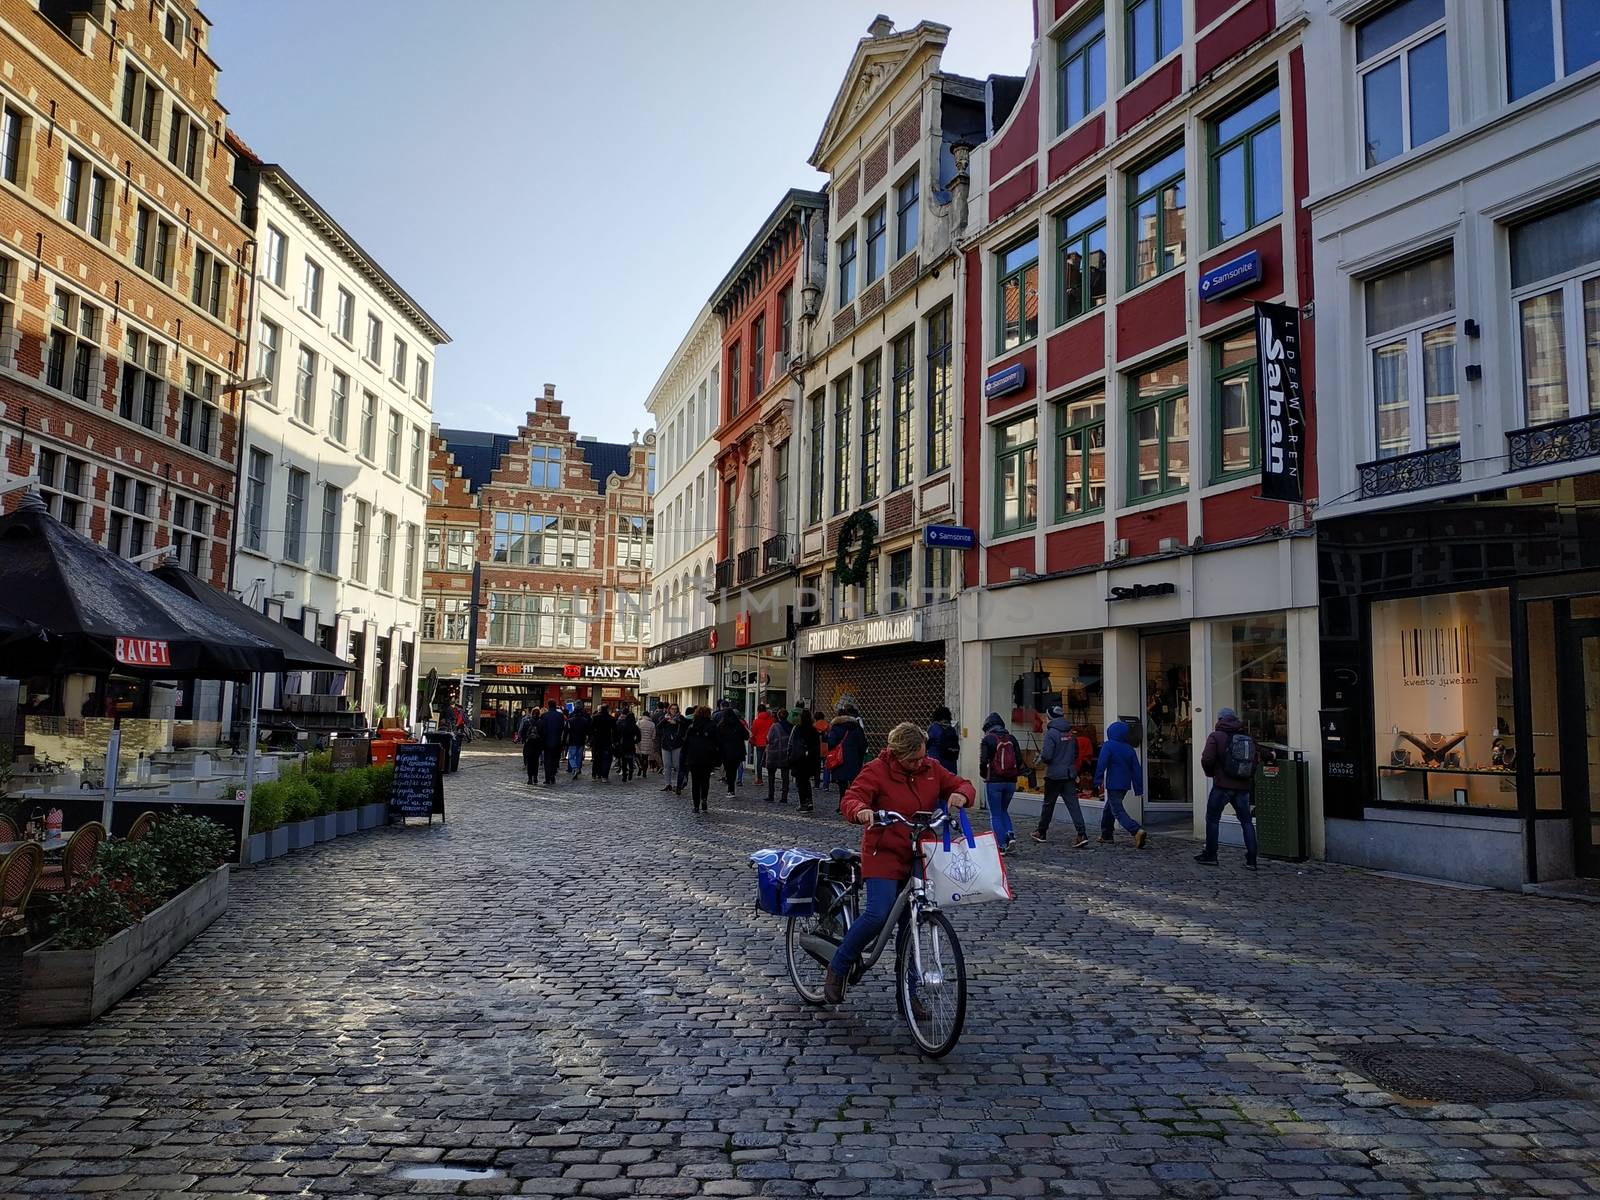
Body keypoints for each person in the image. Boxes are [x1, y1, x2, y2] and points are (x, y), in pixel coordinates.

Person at [825, 722, 976, 1006]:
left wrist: (962, 794)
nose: (919, 763)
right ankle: (839, 965)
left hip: (919, 855)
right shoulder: (877, 771)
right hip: (884, 852)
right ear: (897, 754)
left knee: (913, 923)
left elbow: (962, 783)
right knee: (877, 914)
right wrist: (862, 810)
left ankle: (908, 994)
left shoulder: (931, 768)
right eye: (913, 759)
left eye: (922, 756)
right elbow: (852, 798)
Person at [1196, 707, 1260, 870]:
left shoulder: (1216, 736)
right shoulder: (1246, 737)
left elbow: (1207, 758)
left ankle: (1211, 855)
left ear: (1220, 720)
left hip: (1222, 786)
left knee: (1212, 819)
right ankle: (1252, 859)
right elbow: (1256, 757)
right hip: (1242, 787)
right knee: (1246, 821)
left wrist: (1212, 773)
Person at [1033, 705, 1088, 847]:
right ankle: (1081, 834)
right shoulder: (1070, 732)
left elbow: (1047, 755)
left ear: (1050, 717)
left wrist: (1043, 758)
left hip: (1054, 775)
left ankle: (1041, 832)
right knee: (1073, 805)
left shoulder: (1051, 733)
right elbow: (1076, 753)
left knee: (1048, 805)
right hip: (1069, 773)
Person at [1094, 720, 1147, 847]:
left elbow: (1101, 764)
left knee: (1117, 810)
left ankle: (1135, 830)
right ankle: (1106, 834)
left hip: (1113, 783)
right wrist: (1138, 788)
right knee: (1109, 807)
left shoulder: (1109, 746)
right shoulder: (1129, 749)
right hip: (1124, 785)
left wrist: (1097, 779)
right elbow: (1136, 770)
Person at [978, 713, 1022, 854]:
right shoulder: (1012, 738)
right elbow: (1019, 760)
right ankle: (1010, 834)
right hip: (1010, 782)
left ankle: (1001, 845)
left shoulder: (988, 739)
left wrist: (984, 774)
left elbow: (983, 761)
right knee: (1004, 810)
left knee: (995, 814)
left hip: (994, 782)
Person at [683, 706, 721, 813]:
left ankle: (696, 805)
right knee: (705, 780)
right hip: (707, 757)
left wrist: (685, 756)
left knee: (695, 782)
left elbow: (686, 743)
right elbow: (718, 741)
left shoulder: (692, 726)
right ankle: (704, 799)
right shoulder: (712, 725)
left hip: (694, 757)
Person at [826, 703, 868, 799]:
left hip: (840, 759)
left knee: (842, 784)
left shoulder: (835, 728)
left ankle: (843, 803)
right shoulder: (857, 728)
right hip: (855, 759)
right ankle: (853, 801)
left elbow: (831, 743)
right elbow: (863, 744)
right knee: (854, 783)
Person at [714, 699, 749, 797]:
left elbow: (717, 739)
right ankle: (731, 788)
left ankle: (730, 789)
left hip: (725, 752)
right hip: (738, 751)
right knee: (733, 770)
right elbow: (746, 736)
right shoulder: (738, 725)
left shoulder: (721, 725)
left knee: (729, 770)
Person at [789, 706, 819, 813]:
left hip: (799, 760)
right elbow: (816, 747)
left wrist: (790, 757)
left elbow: (791, 744)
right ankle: (809, 801)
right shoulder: (814, 730)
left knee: (800, 783)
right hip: (809, 760)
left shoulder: (798, 729)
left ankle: (804, 803)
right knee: (806, 781)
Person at [764, 708, 792, 804]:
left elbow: (769, 739)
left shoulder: (774, 726)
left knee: (771, 775)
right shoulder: (791, 727)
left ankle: (771, 795)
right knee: (785, 776)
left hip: (774, 753)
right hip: (785, 754)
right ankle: (784, 797)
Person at [536, 700, 565, 785]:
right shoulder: (560, 716)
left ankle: (547, 778)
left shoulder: (544, 716)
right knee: (555, 760)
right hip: (557, 741)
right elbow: (562, 728)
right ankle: (552, 776)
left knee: (547, 760)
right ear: (555, 705)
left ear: (548, 706)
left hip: (546, 741)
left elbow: (541, 728)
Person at [658, 704, 685, 793]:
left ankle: (679, 784)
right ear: (669, 709)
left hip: (676, 744)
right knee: (667, 765)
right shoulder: (665, 718)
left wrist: (676, 723)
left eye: (675, 709)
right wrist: (665, 720)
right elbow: (658, 727)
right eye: (672, 709)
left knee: (677, 765)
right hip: (666, 744)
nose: (673, 710)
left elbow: (685, 727)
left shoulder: (680, 718)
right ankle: (667, 784)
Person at [926, 705, 961, 775]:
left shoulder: (933, 728)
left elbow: (926, 744)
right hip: (951, 765)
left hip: (936, 764)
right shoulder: (952, 729)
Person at [750, 703, 775, 784]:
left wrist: (752, 741)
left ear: (758, 711)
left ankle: (759, 779)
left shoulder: (756, 721)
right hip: (769, 743)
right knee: (771, 761)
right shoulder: (771, 720)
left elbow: (753, 732)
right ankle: (772, 777)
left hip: (759, 743)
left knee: (759, 761)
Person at [565, 703, 591, 779]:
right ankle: (578, 768)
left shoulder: (570, 721)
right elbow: (587, 731)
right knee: (579, 757)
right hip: (581, 740)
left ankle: (574, 768)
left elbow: (566, 731)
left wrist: (564, 741)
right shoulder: (585, 720)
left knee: (571, 757)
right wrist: (588, 739)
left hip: (572, 740)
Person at [590, 704, 615, 781]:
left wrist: (591, 738)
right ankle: (604, 776)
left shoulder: (595, 717)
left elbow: (590, 729)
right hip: (607, 741)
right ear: (607, 709)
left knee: (596, 758)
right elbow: (615, 730)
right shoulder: (611, 718)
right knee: (606, 759)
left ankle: (594, 775)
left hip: (597, 740)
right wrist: (615, 741)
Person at [615, 706, 640, 782]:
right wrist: (635, 741)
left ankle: (624, 775)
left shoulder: (623, 725)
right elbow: (639, 737)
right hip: (631, 744)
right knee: (630, 760)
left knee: (624, 760)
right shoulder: (635, 727)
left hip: (623, 744)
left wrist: (618, 742)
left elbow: (618, 734)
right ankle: (631, 772)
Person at [517, 708, 539, 784]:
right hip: (537, 745)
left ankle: (530, 778)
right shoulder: (540, 722)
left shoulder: (527, 722)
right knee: (536, 762)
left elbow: (522, 733)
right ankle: (535, 777)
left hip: (529, 744)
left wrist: (524, 739)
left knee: (529, 762)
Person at [636, 708, 658, 779]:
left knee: (639, 757)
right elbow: (654, 735)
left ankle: (640, 767)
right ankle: (644, 772)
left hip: (640, 742)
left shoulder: (639, 722)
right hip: (648, 742)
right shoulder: (652, 724)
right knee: (645, 758)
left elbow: (636, 733)